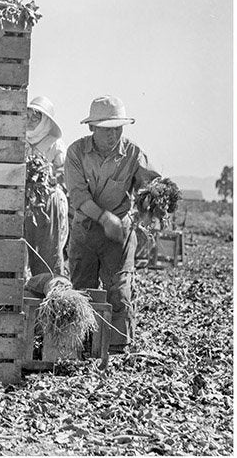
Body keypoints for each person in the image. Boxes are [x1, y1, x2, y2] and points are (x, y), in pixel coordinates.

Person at [64, 95, 160, 353]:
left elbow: (150, 188)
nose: (112, 134)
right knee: (82, 291)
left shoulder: (134, 154)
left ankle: (118, 349)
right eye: (106, 129)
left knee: (119, 291)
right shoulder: (76, 153)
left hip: (119, 235)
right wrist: (105, 218)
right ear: (92, 128)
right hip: (85, 231)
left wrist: (154, 206)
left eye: (117, 128)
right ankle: (83, 345)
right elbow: (79, 196)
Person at [25, 95, 70, 278]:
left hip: (49, 205)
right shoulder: (19, 141)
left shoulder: (54, 145)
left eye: (37, 117)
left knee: (47, 252)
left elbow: (64, 176)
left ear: (46, 122)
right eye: (28, 115)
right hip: (24, 202)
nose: (31, 120)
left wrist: (47, 176)